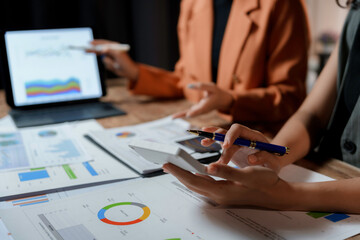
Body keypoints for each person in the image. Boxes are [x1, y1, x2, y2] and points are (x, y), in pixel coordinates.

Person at [163, 0, 360, 213]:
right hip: (329, 169)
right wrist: (271, 156)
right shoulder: (356, 11)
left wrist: (286, 196)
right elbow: (312, 114)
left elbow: (290, 96)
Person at [91, 0, 310, 135]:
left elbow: (290, 97)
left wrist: (232, 100)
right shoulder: (193, 3)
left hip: (261, 138)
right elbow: (187, 82)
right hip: (203, 132)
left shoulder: (281, 4)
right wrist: (134, 72)